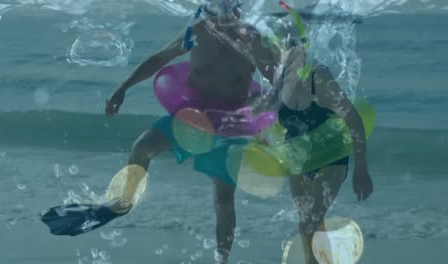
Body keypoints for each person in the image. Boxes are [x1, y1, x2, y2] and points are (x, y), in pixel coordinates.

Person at [104, 1, 303, 263]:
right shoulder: (197, 31)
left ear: (237, 10)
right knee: (142, 147)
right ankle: (125, 201)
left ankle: (222, 259)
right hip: (189, 117)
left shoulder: (253, 41)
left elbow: (280, 83)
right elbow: (160, 58)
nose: (219, 18)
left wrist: (275, 121)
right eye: (213, 10)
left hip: (228, 127)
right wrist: (122, 88)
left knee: (223, 199)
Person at [276, 44, 374, 263]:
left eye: (293, 46)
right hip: (298, 158)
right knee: (309, 223)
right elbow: (276, 121)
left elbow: (355, 121)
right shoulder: (280, 78)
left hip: (331, 155)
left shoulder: (319, 77)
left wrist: (361, 170)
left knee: (311, 219)